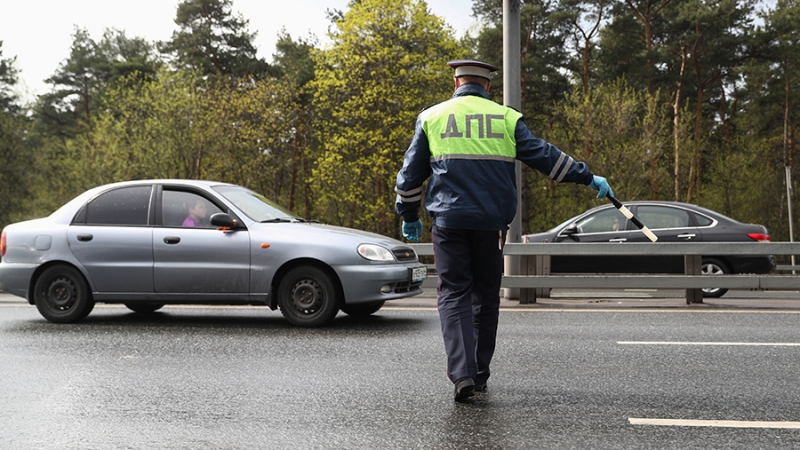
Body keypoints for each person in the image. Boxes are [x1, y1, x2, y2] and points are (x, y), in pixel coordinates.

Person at [394, 60, 613, 402]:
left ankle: (462, 373)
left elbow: (410, 176)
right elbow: (546, 158)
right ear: (488, 87)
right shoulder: (506, 118)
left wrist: (408, 214)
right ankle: (479, 373)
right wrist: (586, 176)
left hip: (449, 224)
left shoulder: (432, 117)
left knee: (453, 294)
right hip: (491, 226)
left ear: (456, 84)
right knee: (485, 296)